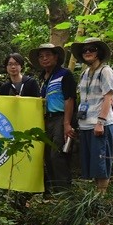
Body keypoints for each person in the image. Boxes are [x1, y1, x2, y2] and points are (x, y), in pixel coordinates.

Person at [71, 38, 113, 192]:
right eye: (84, 50)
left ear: (99, 52)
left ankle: (102, 199)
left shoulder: (105, 71)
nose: (87, 52)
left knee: (101, 163)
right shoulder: (85, 73)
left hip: (101, 124)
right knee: (91, 164)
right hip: (85, 124)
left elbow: (108, 96)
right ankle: (94, 199)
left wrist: (101, 122)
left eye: (92, 49)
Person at [29, 43, 77, 194]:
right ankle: (54, 192)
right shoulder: (42, 78)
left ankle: (64, 193)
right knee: (47, 156)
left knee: (58, 155)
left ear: (56, 57)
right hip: (46, 120)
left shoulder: (65, 74)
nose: (44, 59)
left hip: (61, 118)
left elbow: (69, 99)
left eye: (48, 55)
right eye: (41, 56)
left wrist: (67, 124)